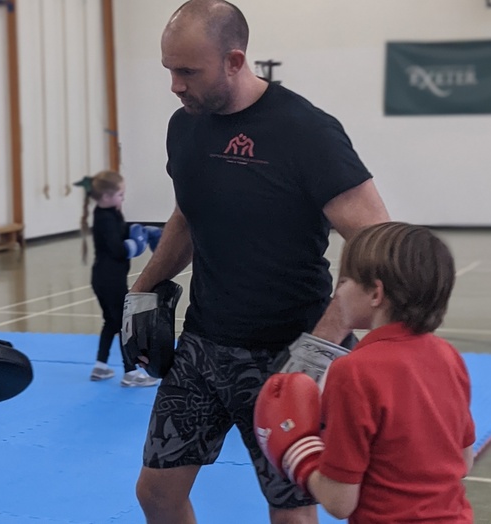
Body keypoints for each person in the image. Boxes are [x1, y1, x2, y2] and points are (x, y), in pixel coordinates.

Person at [129, 1, 390, 523]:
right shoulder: (185, 127)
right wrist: (144, 288)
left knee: (290, 512)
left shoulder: (306, 131)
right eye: (169, 70)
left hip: (285, 355)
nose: (175, 86)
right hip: (202, 347)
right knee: (155, 494)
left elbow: (376, 239)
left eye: (187, 71)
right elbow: (188, 212)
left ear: (234, 60)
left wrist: (322, 345)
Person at [255, 222, 475, 523]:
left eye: (344, 281)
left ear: (375, 293)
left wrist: (297, 452)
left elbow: (339, 501)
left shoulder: (353, 371)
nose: (339, 292)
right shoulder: (449, 356)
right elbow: (464, 460)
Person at [76, 170, 159, 387]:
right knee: (125, 325)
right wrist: (137, 243)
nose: (123, 198)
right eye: (120, 194)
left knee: (111, 322)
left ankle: (100, 367)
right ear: (106, 196)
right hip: (110, 280)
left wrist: (138, 230)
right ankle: (130, 373)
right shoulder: (104, 219)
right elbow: (117, 250)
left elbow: (120, 232)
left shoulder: (110, 213)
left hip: (102, 278)